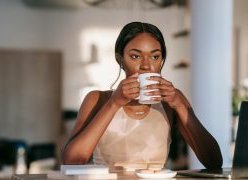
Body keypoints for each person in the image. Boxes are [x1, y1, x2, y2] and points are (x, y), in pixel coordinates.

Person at [62, 22, 222, 170]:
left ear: (162, 60)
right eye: (135, 56)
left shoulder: (171, 101)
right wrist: (114, 104)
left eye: (155, 56)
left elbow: (214, 161)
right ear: (120, 60)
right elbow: (71, 161)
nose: (146, 65)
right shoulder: (97, 99)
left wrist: (180, 105)